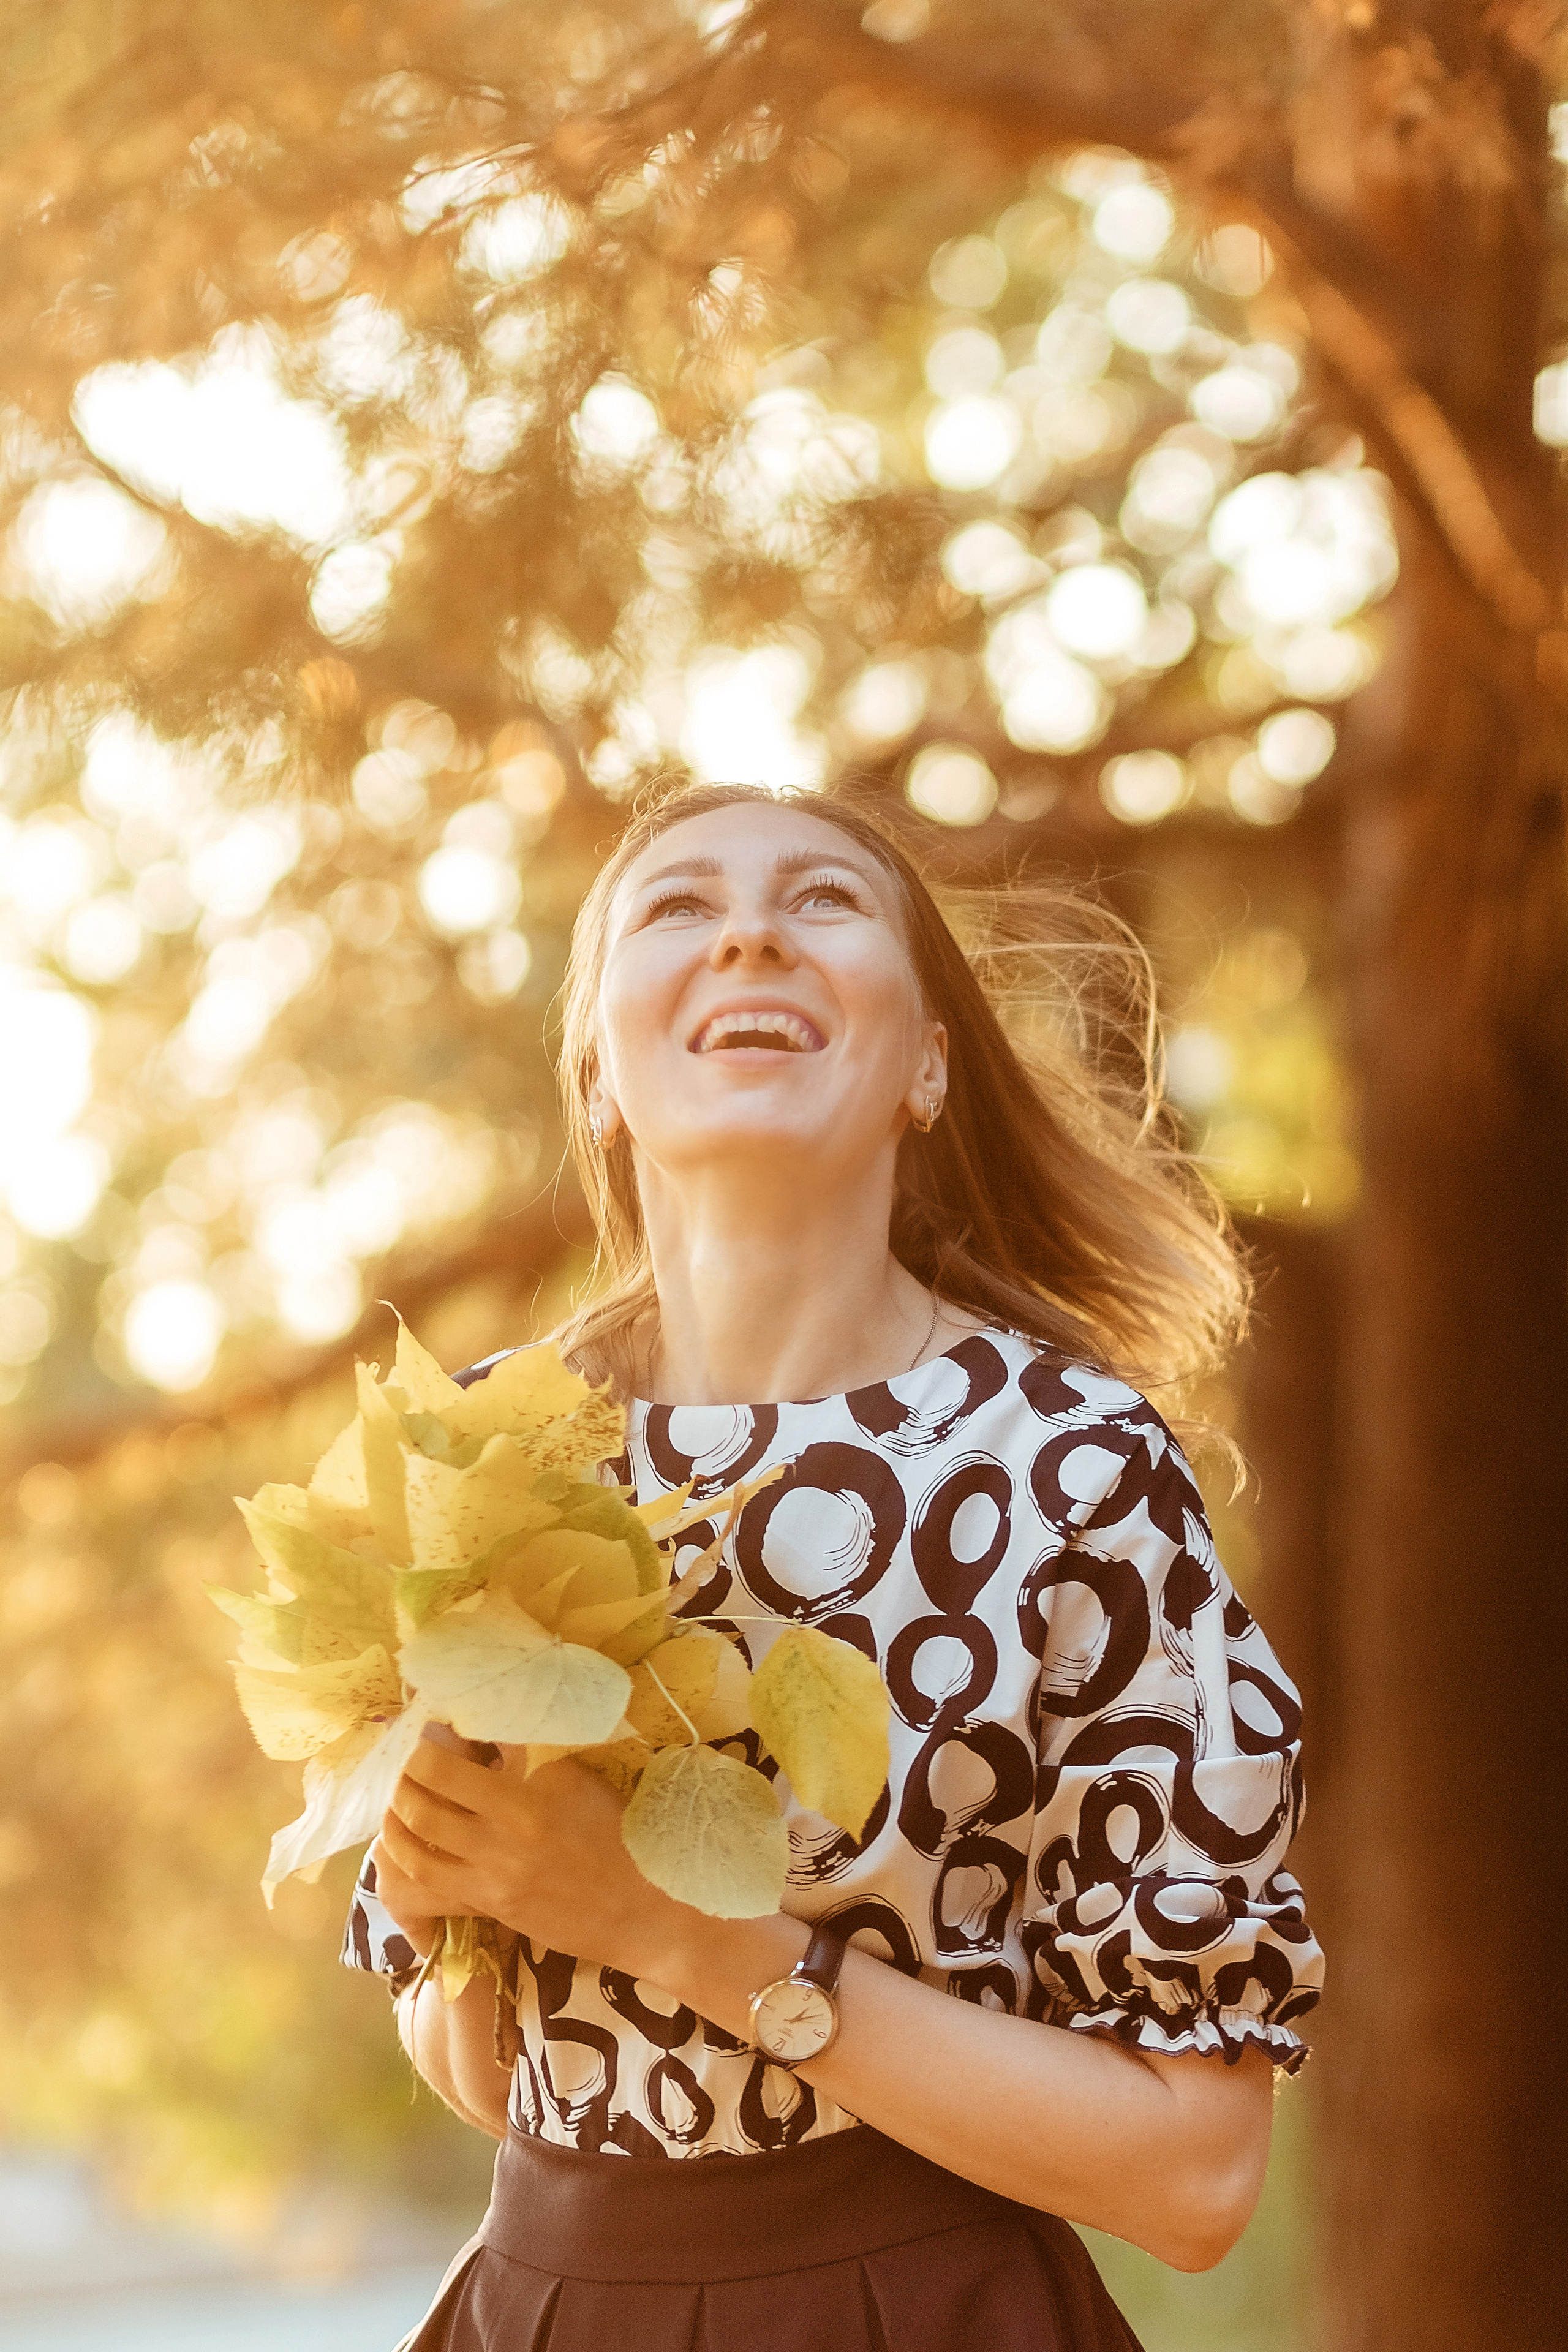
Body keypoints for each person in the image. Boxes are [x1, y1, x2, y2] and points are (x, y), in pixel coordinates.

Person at [342, 780, 1324, 2351]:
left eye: (819, 900)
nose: (746, 932)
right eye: (677, 906)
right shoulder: (478, 1452)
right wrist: (463, 1888)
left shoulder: (1068, 1463)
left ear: (926, 1063)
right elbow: (486, 2068)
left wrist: (679, 1934)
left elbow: (1196, 2174)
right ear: (597, 1069)